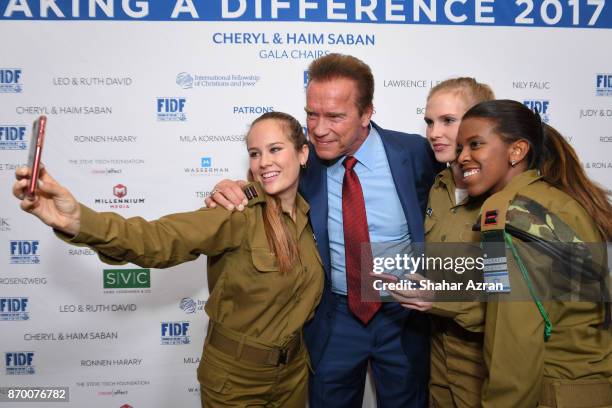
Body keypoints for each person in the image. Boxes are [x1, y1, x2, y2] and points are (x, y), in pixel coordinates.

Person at [13, 111, 325, 407]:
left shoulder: (313, 215)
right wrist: (76, 220)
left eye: (274, 149)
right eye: (255, 153)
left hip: (293, 375)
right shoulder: (238, 214)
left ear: (302, 154)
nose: (263, 162)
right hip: (237, 379)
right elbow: (158, 239)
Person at [206, 53, 440, 407]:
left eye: (335, 116)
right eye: (311, 114)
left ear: (366, 113)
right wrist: (235, 189)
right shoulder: (302, 159)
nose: (318, 128)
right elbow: (266, 179)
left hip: (404, 317)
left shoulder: (414, 152)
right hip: (334, 318)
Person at [456, 100, 611, 407]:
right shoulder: (561, 198)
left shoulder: (510, 214)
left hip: (551, 391)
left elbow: (514, 347)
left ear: (517, 151)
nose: (461, 157)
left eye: (475, 144)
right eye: (461, 147)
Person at [422, 78, 494, 408]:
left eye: (448, 121)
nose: (435, 132)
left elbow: (518, 295)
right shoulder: (436, 185)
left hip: (483, 353)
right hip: (437, 345)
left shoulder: (503, 194)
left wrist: (440, 298)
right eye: (430, 122)